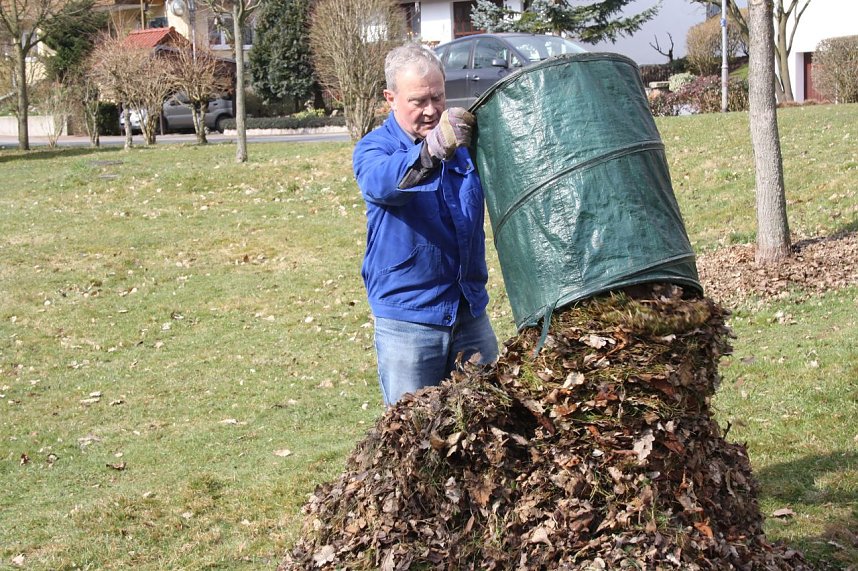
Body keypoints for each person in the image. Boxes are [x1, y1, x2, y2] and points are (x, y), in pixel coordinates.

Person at [352, 43, 498, 407]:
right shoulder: (374, 149)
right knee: (414, 432)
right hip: (409, 321)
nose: (432, 110)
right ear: (390, 99)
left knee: (489, 421)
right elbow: (384, 182)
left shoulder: (462, 147)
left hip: (469, 312)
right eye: (418, 101)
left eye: (438, 97)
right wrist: (430, 151)